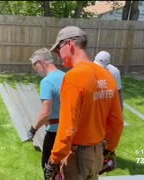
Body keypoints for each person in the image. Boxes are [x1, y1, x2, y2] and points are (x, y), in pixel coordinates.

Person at [44, 26, 124, 180]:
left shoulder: (73, 78)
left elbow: (67, 128)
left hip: (77, 158)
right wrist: (110, 149)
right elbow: (117, 121)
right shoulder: (107, 76)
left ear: (69, 44)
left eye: (58, 49)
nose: (58, 55)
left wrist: (53, 161)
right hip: (98, 154)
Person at [27, 48, 65, 179]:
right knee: (65, 169)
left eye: (35, 66)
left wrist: (33, 129)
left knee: (49, 170)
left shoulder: (47, 82)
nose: (35, 70)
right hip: (70, 132)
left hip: (54, 134)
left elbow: (45, 113)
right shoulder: (66, 76)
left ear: (41, 62)